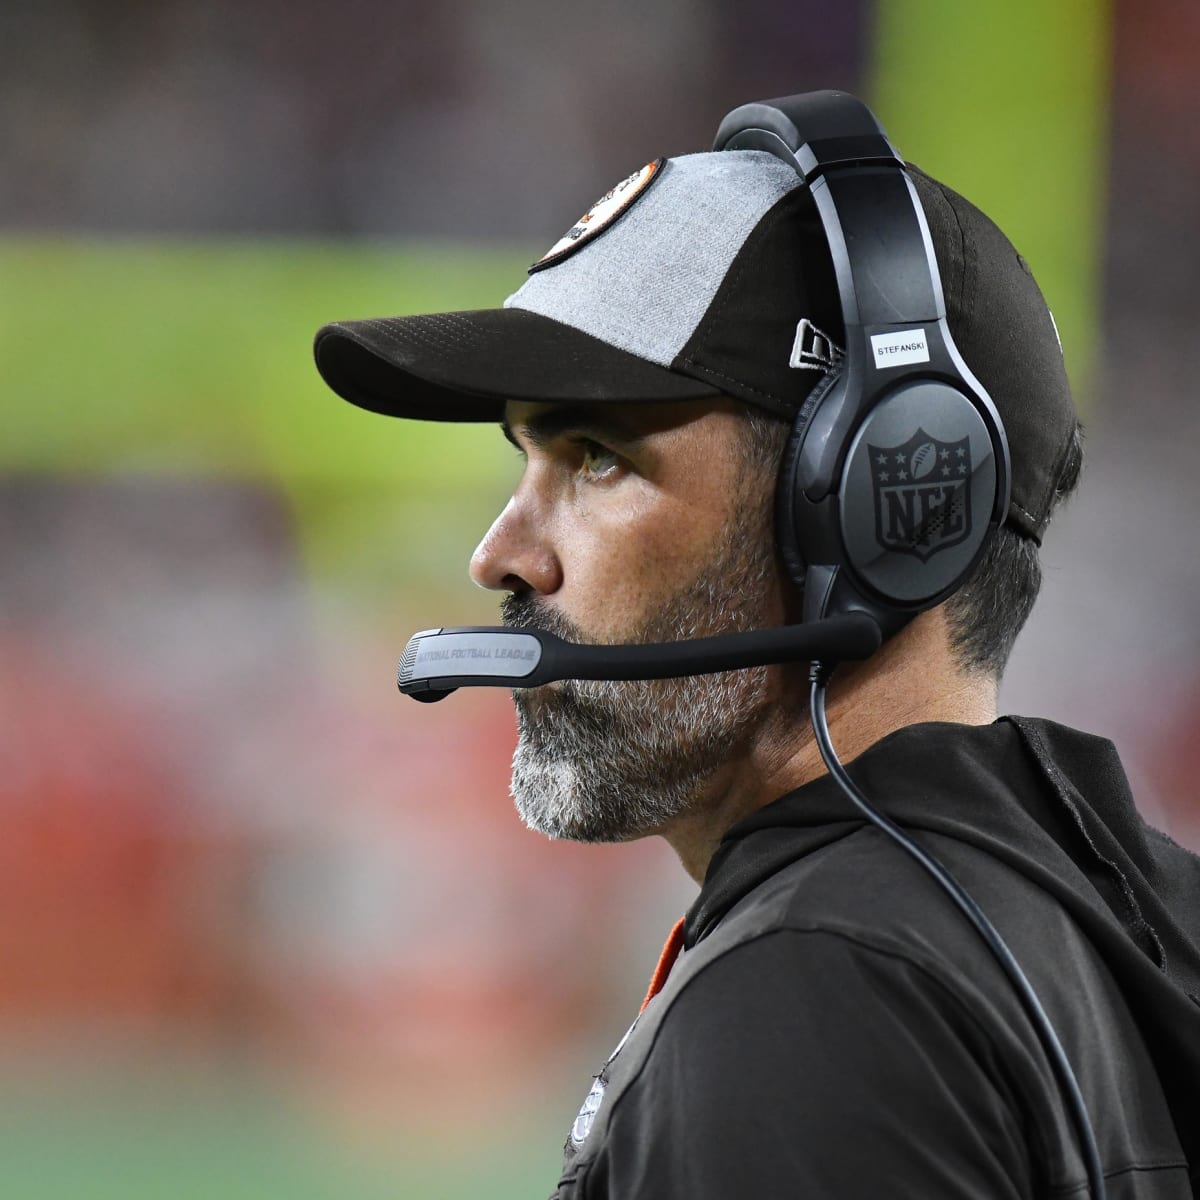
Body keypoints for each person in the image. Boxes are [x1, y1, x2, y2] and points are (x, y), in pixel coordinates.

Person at [313, 95, 1200, 1198]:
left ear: (872, 513)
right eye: (521, 462)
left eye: (594, 458)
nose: (500, 557)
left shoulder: (821, 992)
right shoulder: (1116, 917)